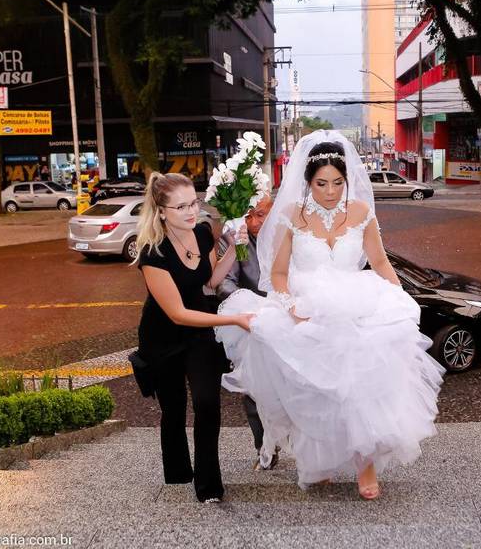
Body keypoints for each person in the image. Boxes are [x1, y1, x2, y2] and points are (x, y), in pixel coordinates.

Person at [215, 131, 445, 500]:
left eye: (338, 182)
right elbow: (276, 274)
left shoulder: (361, 212)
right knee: (314, 391)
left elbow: (380, 261)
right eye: (321, 183)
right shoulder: (291, 215)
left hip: (356, 304)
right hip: (307, 308)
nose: (330, 191)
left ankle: (365, 467)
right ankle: (317, 463)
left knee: (359, 388)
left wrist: (399, 297)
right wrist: (291, 308)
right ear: (308, 182)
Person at [133, 172, 253, 503]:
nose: (191, 212)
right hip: (164, 337)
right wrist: (233, 319)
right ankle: (177, 474)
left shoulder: (201, 233)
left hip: (201, 332)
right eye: (181, 206)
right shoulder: (152, 253)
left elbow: (212, 281)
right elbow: (177, 314)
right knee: (174, 408)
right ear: (160, 211)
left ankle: (209, 486)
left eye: (194, 203)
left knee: (206, 403)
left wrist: (234, 247)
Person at [215, 196, 276, 471]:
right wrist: (249, 304)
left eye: (261, 215)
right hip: (253, 321)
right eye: (249, 216)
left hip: (290, 314)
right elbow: (224, 282)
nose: (254, 223)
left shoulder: (291, 231)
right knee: (253, 389)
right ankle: (264, 449)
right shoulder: (232, 236)